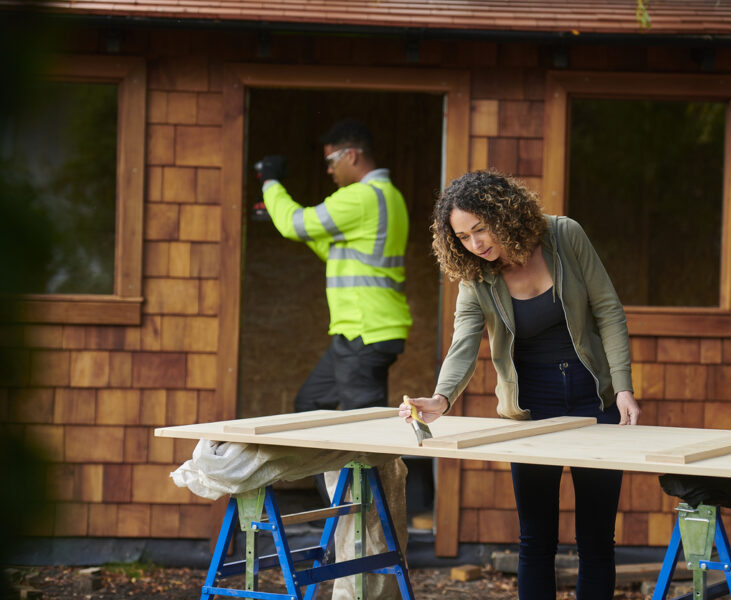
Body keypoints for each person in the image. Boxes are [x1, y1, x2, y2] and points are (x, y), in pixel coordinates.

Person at [400, 170, 640, 600]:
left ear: (504, 214)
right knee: (535, 539)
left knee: (597, 539)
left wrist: (622, 386)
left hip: (593, 396)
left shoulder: (564, 235)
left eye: (480, 229)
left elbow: (608, 309)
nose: (475, 244)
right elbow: (464, 340)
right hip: (530, 408)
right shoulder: (476, 274)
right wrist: (441, 398)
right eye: (463, 237)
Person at [257, 119, 412, 413]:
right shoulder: (389, 196)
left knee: (363, 422)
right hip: (367, 329)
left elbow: (295, 224)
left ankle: (371, 462)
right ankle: (332, 462)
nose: (328, 170)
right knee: (311, 404)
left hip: (364, 329)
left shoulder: (362, 197)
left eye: (331, 160)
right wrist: (279, 216)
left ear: (351, 155)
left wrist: (270, 183)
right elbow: (335, 250)